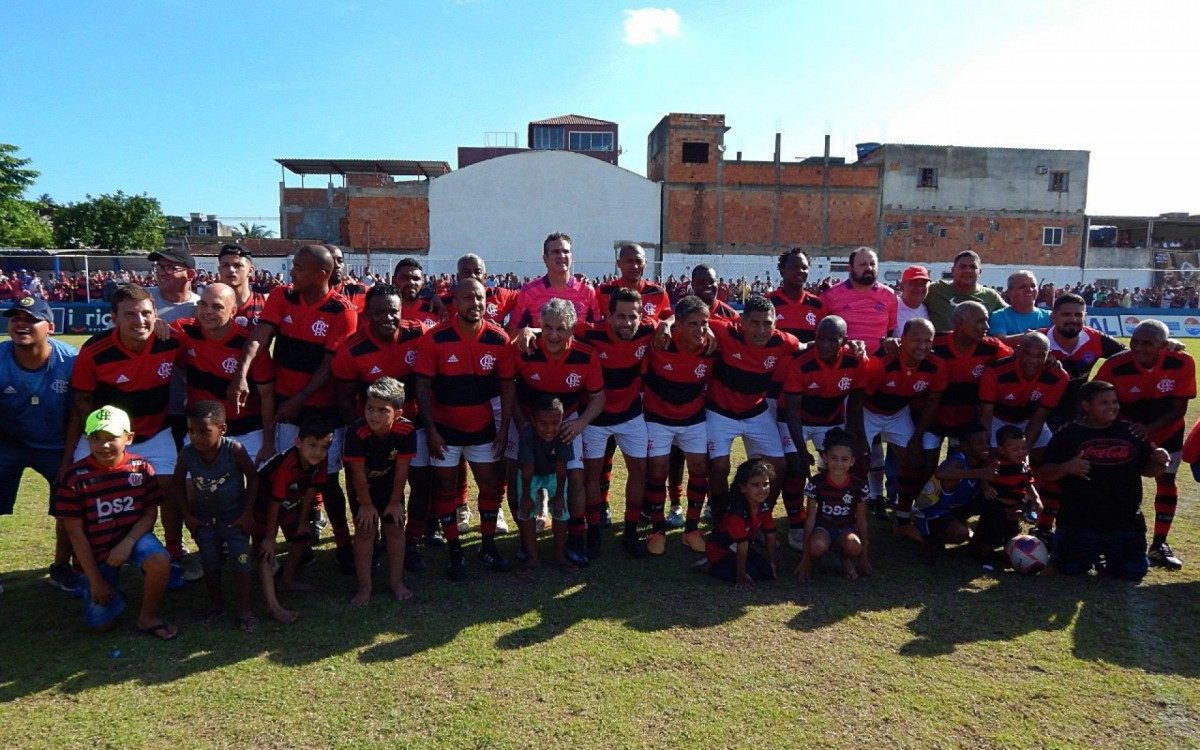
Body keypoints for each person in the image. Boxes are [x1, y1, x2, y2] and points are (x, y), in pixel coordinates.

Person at [228, 244, 358, 575]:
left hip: (321, 410)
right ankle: (292, 547)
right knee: (284, 477)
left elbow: (329, 366)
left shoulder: (342, 311)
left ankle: (343, 544)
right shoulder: (281, 296)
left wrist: (297, 399)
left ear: (322, 274)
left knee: (327, 482)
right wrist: (242, 373)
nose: (292, 272)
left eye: (300, 267)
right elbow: (260, 336)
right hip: (287, 408)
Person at [67, 284, 185, 584]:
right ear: (114, 318)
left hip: (155, 431)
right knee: (79, 492)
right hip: (107, 435)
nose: (140, 321)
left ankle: (174, 554)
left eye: (146, 313)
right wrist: (100, 440)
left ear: (156, 315)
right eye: (130, 314)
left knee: (170, 487)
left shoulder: (171, 341)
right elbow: (82, 399)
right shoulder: (95, 350)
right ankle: (73, 564)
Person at [414, 277, 516, 580]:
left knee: (491, 487)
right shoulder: (435, 338)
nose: (475, 304)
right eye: (468, 298)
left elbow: (508, 387)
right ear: (455, 302)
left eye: (480, 298)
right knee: (445, 489)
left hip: (482, 429)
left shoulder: (499, 340)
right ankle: (454, 551)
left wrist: (502, 429)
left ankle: (486, 547)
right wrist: (430, 430)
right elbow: (422, 387)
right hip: (444, 431)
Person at [53, 406, 177, 639]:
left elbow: (150, 513)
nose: (103, 445)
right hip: (94, 550)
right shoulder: (73, 477)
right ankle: (95, 584)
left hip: (132, 538)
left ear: (129, 438)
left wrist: (128, 543)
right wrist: (95, 580)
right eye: (96, 438)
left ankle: (147, 617)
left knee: (160, 560)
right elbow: (75, 534)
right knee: (101, 625)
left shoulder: (141, 468)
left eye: (112, 438)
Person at [332, 283, 431, 572]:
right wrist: (363, 433)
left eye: (393, 311)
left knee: (422, 482)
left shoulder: (418, 333)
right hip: (372, 431)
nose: (387, 318)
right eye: (379, 312)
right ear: (366, 315)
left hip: (414, 425)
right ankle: (370, 543)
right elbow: (344, 397)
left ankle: (410, 542)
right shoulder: (352, 349)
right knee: (362, 484)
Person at [1037, 380, 1170, 581]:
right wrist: (1067, 467)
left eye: (1115, 401)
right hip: (1078, 523)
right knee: (1069, 570)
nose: (1112, 407)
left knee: (1132, 573)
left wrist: (1159, 463)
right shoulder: (1068, 433)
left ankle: (1107, 556)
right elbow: (1043, 473)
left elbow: (1148, 470)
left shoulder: (1130, 431)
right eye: (1104, 402)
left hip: (1124, 523)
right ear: (1086, 406)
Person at [509, 298, 604, 567]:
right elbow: (508, 389)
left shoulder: (586, 354)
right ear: (539, 326)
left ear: (572, 328)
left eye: (560, 328)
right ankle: (524, 541)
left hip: (566, 421)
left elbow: (599, 398)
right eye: (547, 327)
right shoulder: (525, 347)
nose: (553, 335)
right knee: (516, 475)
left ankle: (575, 538)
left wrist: (581, 423)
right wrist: (521, 423)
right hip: (526, 419)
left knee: (575, 476)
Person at [1095, 320, 1196, 569]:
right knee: (1123, 483)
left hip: (1168, 431)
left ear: (1164, 346)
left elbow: (1180, 407)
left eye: (1147, 343)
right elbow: (1095, 398)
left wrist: (1149, 430)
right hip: (1127, 432)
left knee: (1166, 480)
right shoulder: (1115, 365)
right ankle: (1110, 542)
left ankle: (1159, 544)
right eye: (1135, 341)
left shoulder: (1182, 362)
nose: (1138, 347)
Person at [0, 296, 79, 592]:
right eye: (16, 317)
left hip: (56, 443)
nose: (21, 324)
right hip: (7, 442)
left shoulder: (70, 361)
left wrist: (69, 457)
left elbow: (77, 414)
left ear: (51, 327)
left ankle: (61, 567)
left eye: (31, 319)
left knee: (68, 506)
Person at [573, 288, 657, 558]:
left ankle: (631, 531)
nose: (627, 322)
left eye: (632, 316)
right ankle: (594, 530)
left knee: (639, 471)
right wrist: (530, 332)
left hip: (631, 415)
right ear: (608, 316)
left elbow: (671, 322)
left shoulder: (648, 331)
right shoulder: (590, 333)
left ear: (641, 316)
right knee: (592, 475)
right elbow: (557, 326)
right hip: (595, 418)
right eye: (620, 316)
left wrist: (666, 324)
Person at [704, 295, 802, 505]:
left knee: (779, 464)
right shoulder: (726, 331)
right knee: (719, 466)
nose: (761, 330)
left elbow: (808, 346)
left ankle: (761, 514)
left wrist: (851, 345)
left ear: (775, 324)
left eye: (767, 323)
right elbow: (686, 319)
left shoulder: (785, 342)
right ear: (742, 322)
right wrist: (666, 326)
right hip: (720, 412)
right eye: (754, 323)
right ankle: (720, 512)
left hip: (755, 411)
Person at [173, 401, 258, 631]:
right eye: (191, 431)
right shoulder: (188, 454)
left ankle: (245, 610)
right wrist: (188, 516)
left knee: (241, 562)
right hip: (205, 519)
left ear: (222, 429)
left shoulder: (234, 450)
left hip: (235, 518)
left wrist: (248, 513)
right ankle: (216, 605)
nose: (197, 437)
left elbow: (254, 478)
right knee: (210, 562)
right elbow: (177, 483)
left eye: (204, 431)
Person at [172, 283, 276, 465]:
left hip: (248, 430)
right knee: (192, 487)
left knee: (262, 484)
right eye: (203, 304)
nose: (207, 312)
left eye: (217, 306)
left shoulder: (250, 345)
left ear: (233, 310)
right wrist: (156, 325)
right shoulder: (184, 331)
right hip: (201, 428)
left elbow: (267, 396)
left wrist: (268, 443)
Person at [861, 318, 947, 539]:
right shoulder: (882, 362)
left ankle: (902, 519)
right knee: (858, 461)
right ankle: (851, 516)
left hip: (898, 414)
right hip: (868, 411)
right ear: (902, 340)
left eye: (927, 340)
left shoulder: (936, 365)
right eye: (916, 340)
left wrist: (917, 436)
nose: (922, 345)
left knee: (912, 458)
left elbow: (932, 402)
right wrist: (856, 432)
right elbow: (858, 397)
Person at [643, 295, 715, 555]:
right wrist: (666, 322)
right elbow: (649, 322)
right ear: (678, 326)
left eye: (704, 323)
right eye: (693, 324)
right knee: (657, 470)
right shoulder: (659, 341)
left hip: (693, 418)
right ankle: (657, 530)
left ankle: (692, 530)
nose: (701, 329)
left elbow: (734, 326)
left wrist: (709, 329)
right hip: (658, 418)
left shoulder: (712, 346)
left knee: (699, 467)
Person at [342, 377, 416, 606]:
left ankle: (396, 582)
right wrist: (365, 505)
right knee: (365, 531)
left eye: (382, 410)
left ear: (398, 412)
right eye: (369, 408)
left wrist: (395, 503)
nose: (373, 415)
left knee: (395, 529)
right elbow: (357, 474)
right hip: (364, 488)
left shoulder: (406, 430)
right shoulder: (356, 431)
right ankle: (365, 586)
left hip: (390, 486)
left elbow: (402, 472)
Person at [253, 413, 334, 623]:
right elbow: (274, 502)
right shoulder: (286, 465)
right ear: (298, 442)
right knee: (264, 550)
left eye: (325, 446)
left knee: (302, 534)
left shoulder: (321, 461)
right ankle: (273, 606)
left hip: (289, 503)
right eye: (313, 445)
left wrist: (302, 521)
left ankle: (286, 581)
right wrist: (270, 538)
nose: (319, 452)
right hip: (262, 507)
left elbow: (310, 489)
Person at [910, 422, 994, 565]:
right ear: (965, 446)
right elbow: (941, 473)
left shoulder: (983, 460)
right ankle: (928, 537)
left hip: (955, 509)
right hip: (932, 513)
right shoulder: (958, 461)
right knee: (960, 534)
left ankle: (977, 536)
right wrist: (980, 473)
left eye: (987, 442)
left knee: (995, 502)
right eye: (979, 443)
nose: (986, 447)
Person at [795, 428, 871, 582]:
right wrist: (805, 558)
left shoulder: (858, 486)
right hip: (823, 528)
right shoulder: (816, 483)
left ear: (852, 461)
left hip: (847, 529)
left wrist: (864, 557)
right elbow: (810, 519)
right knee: (817, 546)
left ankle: (844, 559)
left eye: (844, 459)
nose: (839, 464)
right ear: (825, 458)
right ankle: (822, 559)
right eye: (834, 458)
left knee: (855, 546)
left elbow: (861, 520)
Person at [978, 331, 1068, 455]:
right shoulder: (995, 371)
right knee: (991, 455)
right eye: (1027, 354)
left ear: (1049, 355)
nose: (1033, 360)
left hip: (1029, 420)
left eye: (1040, 355)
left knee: (1048, 455)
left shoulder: (1059, 377)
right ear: (1018, 351)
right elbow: (986, 415)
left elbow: (1039, 418)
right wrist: (987, 448)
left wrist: (1024, 452)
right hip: (996, 419)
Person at [516, 395, 574, 569]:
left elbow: (562, 467)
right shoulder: (527, 434)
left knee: (561, 509)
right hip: (530, 475)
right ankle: (533, 556)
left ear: (562, 419)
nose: (549, 429)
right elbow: (527, 469)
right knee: (526, 511)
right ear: (533, 420)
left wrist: (558, 495)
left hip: (554, 474)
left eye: (555, 423)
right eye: (543, 424)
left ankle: (559, 555)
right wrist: (526, 496)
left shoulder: (564, 434)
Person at [701, 459, 778, 588]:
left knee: (767, 572)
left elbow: (770, 534)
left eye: (766, 484)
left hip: (741, 549)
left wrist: (772, 563)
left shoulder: (763, 506)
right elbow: (742, 544)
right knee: (750, 574)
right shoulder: (736, 513)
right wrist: (740, 576)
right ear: (742, 487)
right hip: (722, 552)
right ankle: (708, 565)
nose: (762, 489)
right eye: (755, 485)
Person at [973, 425, 1040, 569]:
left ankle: (1011, 556)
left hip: (1014, 506)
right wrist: (986, 487)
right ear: (1002, 450)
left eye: (1023, 448)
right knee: (991, 532)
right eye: (1015, 449)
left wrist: (1036, 498)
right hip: (996, 506)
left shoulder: (1024, 466)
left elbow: (1029, 484)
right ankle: (985, 557)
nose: (1020, 452)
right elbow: (984, 477)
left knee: (1011, 535)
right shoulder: (996, 464)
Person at [510, 232, 597, 333]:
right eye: (555, 252)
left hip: (577, 348)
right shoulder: (529, 292)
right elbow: (514, 332)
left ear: (571, 256)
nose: (561, 256)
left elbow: (596, 331)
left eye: (566, 251)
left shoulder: (586, 290)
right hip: (540, 348)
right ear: (545, 259)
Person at [819, 247, 897, 354]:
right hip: (845, 362)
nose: (869, 268)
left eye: (872, 264)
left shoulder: (889, 295)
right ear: (850, 268)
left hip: (879, 362)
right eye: (863, 264)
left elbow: (890, 331)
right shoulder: (830, 296)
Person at [923, 251, 1007, 333]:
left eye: (973, 267)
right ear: (952, 271)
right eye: (962, 266)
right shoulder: (935, 289)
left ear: (980, 272)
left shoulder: (991, 296)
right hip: (940, 345)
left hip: (976, 346)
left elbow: (1012, 313)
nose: (968, 270)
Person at [590, 243, 672, 324]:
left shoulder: (658, 293)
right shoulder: (602, 292)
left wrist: (667, 324)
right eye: (629, 261)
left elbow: (671, 318)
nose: (635, 266)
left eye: (639, 261)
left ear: (645, 264)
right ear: (619, 264)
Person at [439, 254, 518, 326]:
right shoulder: (445, 301)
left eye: (477, 272)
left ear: (485, 277)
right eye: (466, 272)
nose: (472, 275)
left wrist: (514, 330)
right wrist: (433, 300)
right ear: (458, 277)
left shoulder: (497, 294)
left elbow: (527, 297)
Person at [217, 244, 267, 327]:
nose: (231, 270)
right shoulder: (209, 306)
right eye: (225, 265)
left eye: (238, 265)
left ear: (250, 271)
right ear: (219, 270)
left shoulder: (265, 303)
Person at [989, 271, 1051, 338]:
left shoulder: (1050, 316)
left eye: (1033, 286)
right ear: (1010, 292)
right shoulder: (998, 316)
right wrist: (1035, 335)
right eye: (1023, 287)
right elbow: (999, 341)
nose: (1030, 289)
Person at [895, 265, 931, 334]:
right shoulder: (892, 308)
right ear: (902, 286)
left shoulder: (929, 309)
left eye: (923, 284)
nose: (919, 288)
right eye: (914, 283)